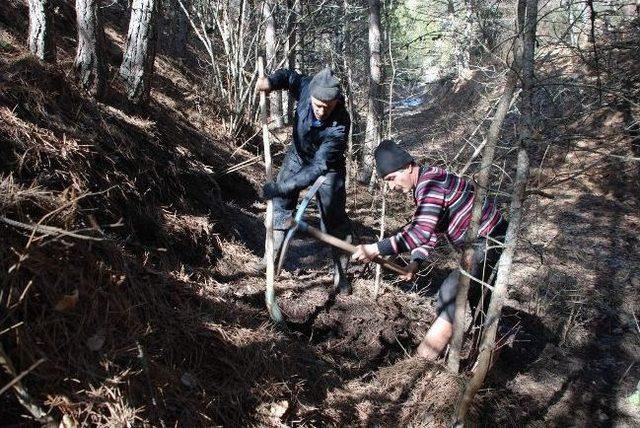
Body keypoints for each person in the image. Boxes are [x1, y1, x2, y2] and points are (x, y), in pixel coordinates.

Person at [351, 140, 507, 360]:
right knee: (481, 305)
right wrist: (416, 262)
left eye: (391, 178)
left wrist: (375, 248)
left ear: (408, 167)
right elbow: (430, 230)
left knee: (450, 294)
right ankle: (484, 363)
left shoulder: (431, 184)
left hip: (490, 240)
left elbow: (419, 233)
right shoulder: (427, 184)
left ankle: (419, 364)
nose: (391, 187)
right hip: (484, 242)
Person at [255, 67, 352, 294]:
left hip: (329, 168)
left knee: (333, 219)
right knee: (280, 206)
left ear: (336, 103)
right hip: (298, 155)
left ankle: (341, 273)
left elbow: (318, 167)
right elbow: (289, 77)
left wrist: (281, 187)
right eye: (317, 105)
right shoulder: (306, 86)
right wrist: (270, 82)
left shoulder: (340, 123)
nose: (320, 111)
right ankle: (270, 259)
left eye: (327, 107)